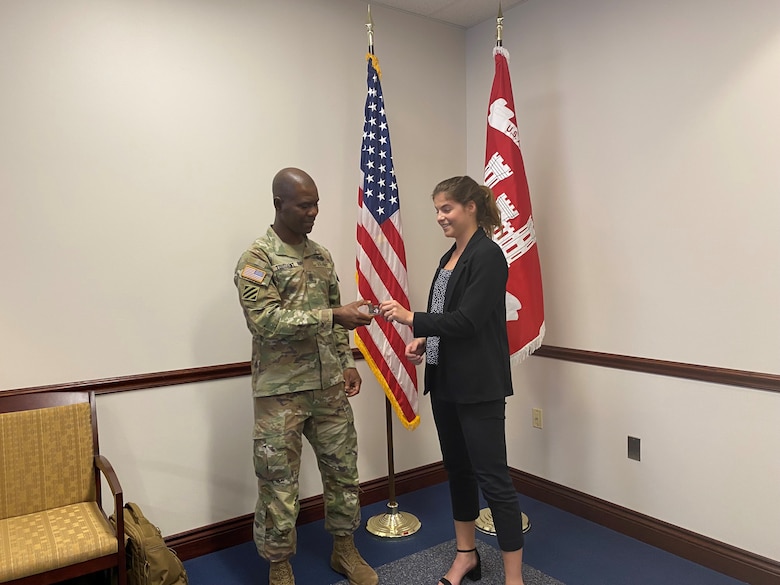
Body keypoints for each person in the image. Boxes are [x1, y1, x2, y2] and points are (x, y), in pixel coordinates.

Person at [234, 167, 379, 585]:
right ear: (279, 204)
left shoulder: (321, 256)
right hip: (281, 394)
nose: (313, 212)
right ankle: (279, 567)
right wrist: (335, 314)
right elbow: (265, 321)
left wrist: (347, 361)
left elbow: (336, 324)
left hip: (329, 387)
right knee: (279, 485)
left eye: (316, 203)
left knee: (344, 472)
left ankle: (345, 550)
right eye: (304, 205)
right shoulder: (256, 259)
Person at [379, 175, 526, 585]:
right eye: (437, 211)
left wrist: (412, 319)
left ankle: (514, 578)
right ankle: (466, 556)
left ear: (471, 207)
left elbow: (469, 320)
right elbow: (449, 316)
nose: (440, 217)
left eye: (447, 209)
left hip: (479, 386)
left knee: (493, 479)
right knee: (458, 472)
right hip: (444, 383)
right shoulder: (449, 256)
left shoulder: (489, 255)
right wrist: (425, 340)